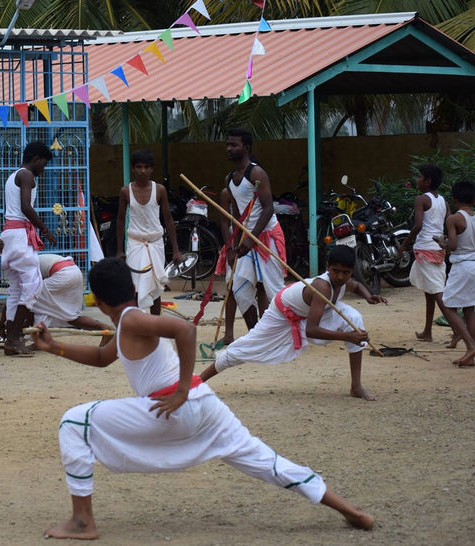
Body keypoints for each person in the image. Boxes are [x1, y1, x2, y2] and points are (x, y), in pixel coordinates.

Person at [31, 257, 374, 540]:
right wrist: (53, 346)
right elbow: (102, 358)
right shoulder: (128, 322)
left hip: (175, 405)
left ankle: (82, 521)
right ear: (133, 290)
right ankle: (350, 510)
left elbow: (186, 329)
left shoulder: (133, 320)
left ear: (100, 302)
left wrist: (180, 389)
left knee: (74, 421)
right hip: (205, 404)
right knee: (265, 461)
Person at [201, 246, 384, 401]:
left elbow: (357, 286)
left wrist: (368, 296)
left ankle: (356, 386)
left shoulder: (345, 282)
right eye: (335, 271)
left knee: (355, 320)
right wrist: (347, 336)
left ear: (352, 272)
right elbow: (311, 330)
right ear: (327, 268)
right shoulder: (322, 287)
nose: (340, 277)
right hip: (282, 314)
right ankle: (197, 382)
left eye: (346, 273)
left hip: (310, 312)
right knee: (243, 350)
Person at [219, 128, 285, 344]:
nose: (229, 148)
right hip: (245, 239)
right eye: (228, 144)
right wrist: (231, 247)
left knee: (274, 290)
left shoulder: (257, 173)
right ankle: (258, 336)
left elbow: (268, 209)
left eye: (234, 145)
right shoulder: (229, 179)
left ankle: (290, 331)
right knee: (238, 285)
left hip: (266, 237)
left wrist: (250, 239)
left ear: (246, 148)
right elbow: (236, 218)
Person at [0, 141, 56, 355]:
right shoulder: (27, 176)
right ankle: (14, 337)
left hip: (12, 234)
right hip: (20, 235)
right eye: (44, 164)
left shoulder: (13, 176)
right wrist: (45, 229)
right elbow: (25, 206)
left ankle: (10, 338)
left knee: (16, 289)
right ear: (36, 160)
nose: (44, 169)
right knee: (33, 286)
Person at [116, 149, 183, 315]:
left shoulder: (159, 190)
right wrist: (119, 250)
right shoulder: (126, 191)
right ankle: (137, 324)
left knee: (156, 285)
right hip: (135, 243)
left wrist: (176, 249)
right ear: (133, 169)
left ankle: (155, 326)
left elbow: (168, 219)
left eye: (146, 167)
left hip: (156, 243)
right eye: (138, 167)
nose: (143, 171)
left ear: (152, 169)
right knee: (135, 286)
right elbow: (120, 220)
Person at [398, 164, 451, 343]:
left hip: (425, 249)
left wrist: (404, 245)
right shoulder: (443, 201)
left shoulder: (421, 199)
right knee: (430, 292)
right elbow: (448, 223)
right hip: (438, 248)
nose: (416, 179)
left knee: (436, 292)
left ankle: (458, 330)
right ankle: (427, 331)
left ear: (427, 181)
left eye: (419, 176)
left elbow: (418, 225)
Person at [29, 253, 113, 333]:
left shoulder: (25, 265)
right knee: (72, 317)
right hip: (74, 271)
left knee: (34, 302)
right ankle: (104, 327)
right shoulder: (32, 260)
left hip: (62, 274)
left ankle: (39, 336)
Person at [439, 180, 475, 367]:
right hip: (474, 264)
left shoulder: (453, 218)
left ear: (453, 199)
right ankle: (472, 353)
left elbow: (452, 246)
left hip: (462, 266)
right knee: (469, 307)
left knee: (448, 305)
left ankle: (470, 346)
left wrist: (441, 243)